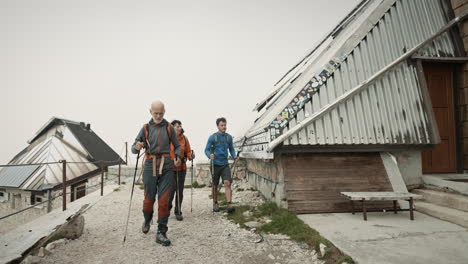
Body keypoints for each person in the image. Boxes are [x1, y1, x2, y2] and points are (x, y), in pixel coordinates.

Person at [131, 100, 181, 246]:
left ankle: (161, 231)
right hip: (149, 165)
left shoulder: (170, 128)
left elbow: (177, 146)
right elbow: (134, 148)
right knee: (148, 199)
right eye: (155, 113)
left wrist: (177, 156)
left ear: (164, 112)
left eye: (161, 113)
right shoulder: (145, 128)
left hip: (166, 165)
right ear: (150, 112)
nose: (158, 116)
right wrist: (137, 146)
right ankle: (147, 218)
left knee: (164, 200)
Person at [204, 117, 238, 213]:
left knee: (227, 183)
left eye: (225, 125)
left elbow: (231, 149)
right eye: (222, 125)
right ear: (218, 126)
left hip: (224, 164)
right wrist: (209, 155)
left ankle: (229, 204)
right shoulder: (212, 137)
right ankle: (215, 203)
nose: (224, 127)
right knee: (214, 185)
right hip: (215, 164)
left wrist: (234, 156)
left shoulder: (229, 137)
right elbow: (206, 149)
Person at [169, 119, 193, 221]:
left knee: (180, 190)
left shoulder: (184, 139)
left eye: (179, 125)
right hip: (170, 168)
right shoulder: (168, 139)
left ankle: (178, 211)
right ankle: (167, 206)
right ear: (172, 128)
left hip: (182, 168)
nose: (179, 127)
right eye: (176, 126)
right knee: (171, 190)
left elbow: (188, 151)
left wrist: (190, 155)